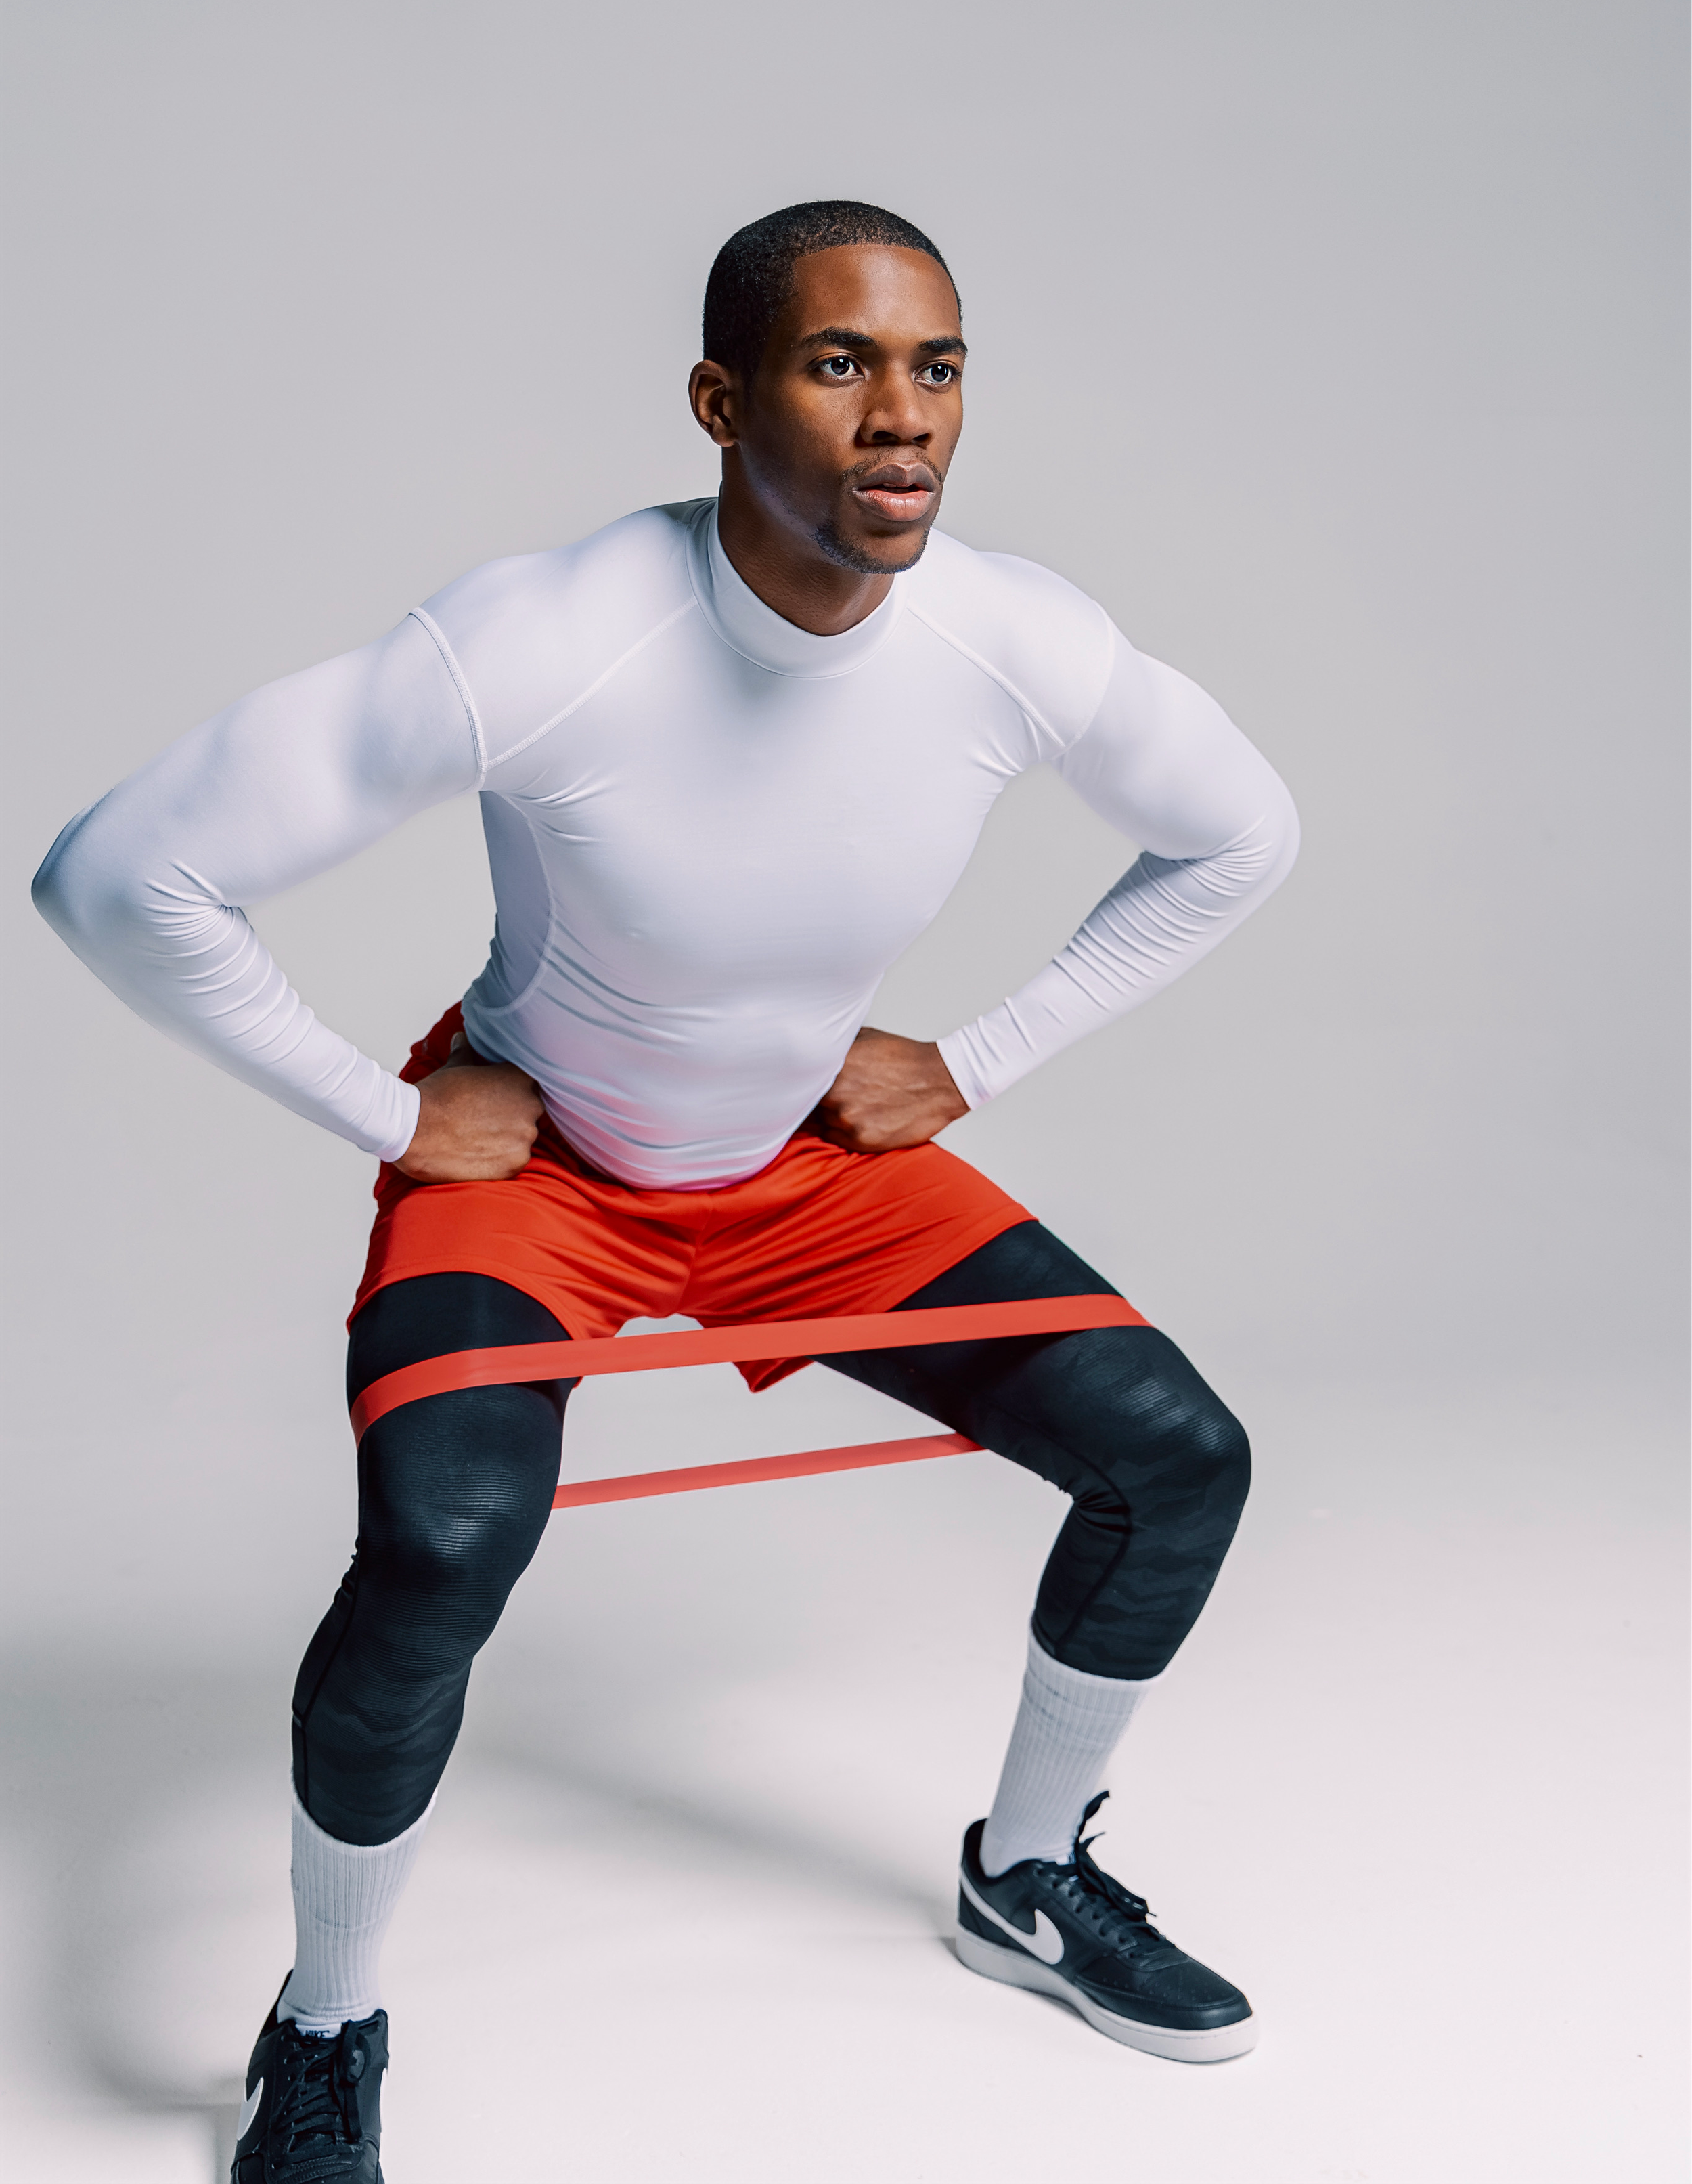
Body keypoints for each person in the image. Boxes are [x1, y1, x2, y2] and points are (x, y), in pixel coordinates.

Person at [35, 201, 1298, 2179]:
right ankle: (324, 2021)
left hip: (802, 1166)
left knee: (1178, 1457)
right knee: (440, 1550)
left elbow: (1240, 834)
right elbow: (118, 878)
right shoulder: (547, 637)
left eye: (938, 366)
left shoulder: (1012, 638)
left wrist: (978, 1058)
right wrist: (383, 1115)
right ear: (720, 400)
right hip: (545, 1170)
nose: (901, 415)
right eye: (838, 363)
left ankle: (1028, 1875)